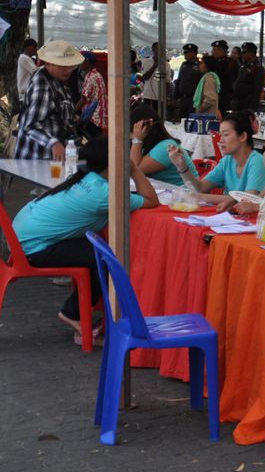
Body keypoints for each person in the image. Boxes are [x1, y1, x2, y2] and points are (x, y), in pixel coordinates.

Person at [12, 136, 159, 344]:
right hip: (34, 248)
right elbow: (152, 201)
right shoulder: (103, 193)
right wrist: (134, 169)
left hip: (21, 239)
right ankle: (74, 314)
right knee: (107, 258)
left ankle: (83, 313)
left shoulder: (86, 178)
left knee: (97, 252)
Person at [169, 112, 265, 209]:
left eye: (226, 134)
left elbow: (248, 200)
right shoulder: (227, 160)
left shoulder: (258, 162)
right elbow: (200, 187)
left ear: (242, 136)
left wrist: (198, 197)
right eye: (220, 134)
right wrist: (181, 167)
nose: (220, 140)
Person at [15, 40, 81, 160]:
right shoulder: (42, 84)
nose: (68, 71)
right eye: (63, 66)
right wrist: (54, 143)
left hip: (52, 158)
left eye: (70, 66)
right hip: (37, 159)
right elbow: (31, 126)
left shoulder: (57, 80)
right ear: (49, 64)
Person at [129, 105, 199, 187]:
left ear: (142, 128)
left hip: (185, 194)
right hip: (168, 192)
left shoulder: (166, 147)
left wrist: (137, 140)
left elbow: (134, 170)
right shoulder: (146, 145)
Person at [76, 52, 107, 137]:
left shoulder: (90, 77)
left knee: (92, 139)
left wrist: (72, 111)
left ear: (87, 62)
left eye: (81, 61)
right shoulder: (96, 74)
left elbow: (84, 99)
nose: (80, 64)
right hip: (98, 113)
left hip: (93, 115)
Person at [232, 42, 265, 112]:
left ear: (251, 53)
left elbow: (257, 90)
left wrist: (252, 108)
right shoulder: (244, 66)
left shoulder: (257, 68)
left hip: (247, 104)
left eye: (244, 52)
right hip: (238, 103)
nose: (242, 54)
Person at [175, 43, 202, 118]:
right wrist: (175, 96)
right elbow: (179, 80)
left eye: (186, 52)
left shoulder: (200, 65)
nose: (184, 54)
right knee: (181, 121)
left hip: (194, 99)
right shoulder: (184, 64)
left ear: (193, 53)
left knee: (192, 121)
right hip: (183, 98)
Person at [139, 41, 169, 108]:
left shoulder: (166, 64)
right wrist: (155, 65)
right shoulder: (146, 61)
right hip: (149, 96)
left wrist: (167, 97)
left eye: (162, 49)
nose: (160, 51)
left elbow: (167, 82)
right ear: (153, 49)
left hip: (161, 98)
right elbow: (145, 77)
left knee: (159, 117)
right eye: (158, 48)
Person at [210, 40, 235, 115]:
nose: (212, 52)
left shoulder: (224, 63)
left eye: (214, 50)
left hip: (223, 96)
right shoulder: (218, 61)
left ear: (222, 51)